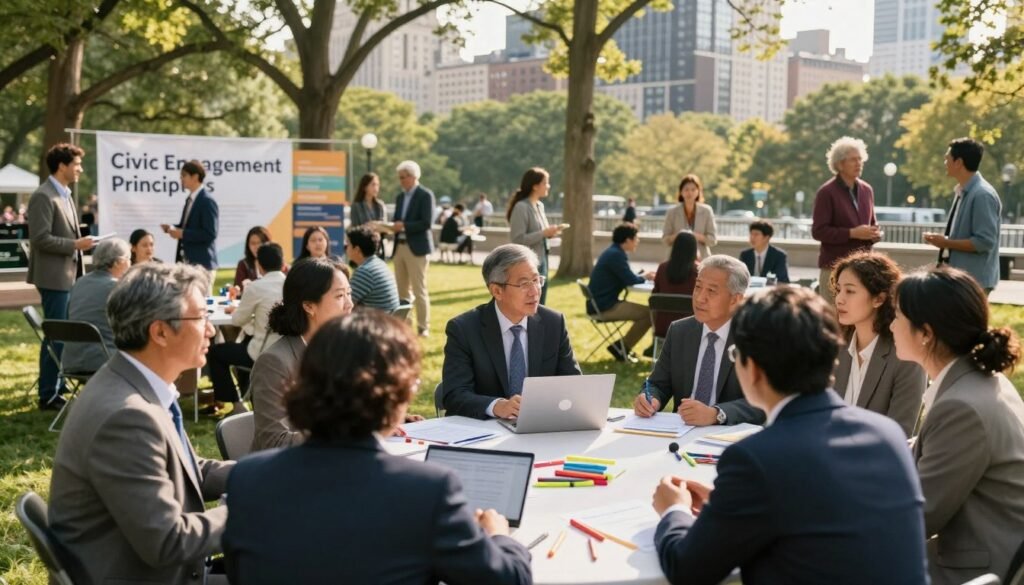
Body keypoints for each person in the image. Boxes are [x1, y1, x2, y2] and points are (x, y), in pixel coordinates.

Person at [223, 312, 533, 584]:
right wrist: (498, 537)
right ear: (396, 395)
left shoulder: (247, 480)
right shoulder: (427, 492)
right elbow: (508, 578)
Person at [651, 286, 928, 585]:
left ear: (752, 368)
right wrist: (731, 505)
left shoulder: (756, 459)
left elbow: (688, 569)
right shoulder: (888, 436)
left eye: (736, 354)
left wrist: (674, 510)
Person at [48, 262, 233, 585]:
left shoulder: (134, 386)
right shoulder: (126, 416)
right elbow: (167, 541)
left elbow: (191, 470)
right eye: (202, 317)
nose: (212, 330)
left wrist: (269, 472)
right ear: (159, 331)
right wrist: (256, 509)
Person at [891, 266, 1024, 585]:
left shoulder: (960, 405)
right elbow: (924, 451)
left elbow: (918, 518)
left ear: (925, 333)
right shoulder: (977, 381)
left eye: (896, 315)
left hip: (978, 569)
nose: (891, 324)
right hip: (980, 550)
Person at [442, 244, 581, 420]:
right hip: (485, 432)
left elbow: (574, 385)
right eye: (524, 284)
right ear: (497, 291)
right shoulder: (464, 329)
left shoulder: (553, 322)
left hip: (541, 427)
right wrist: (496, 406)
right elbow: (454, 395)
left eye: (536, 280)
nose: (534, 291)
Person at [635, 255, 765, 426]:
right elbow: (657, 383)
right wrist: (650, 398)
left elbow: (763, 401)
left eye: (711, 291)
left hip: (729, 437)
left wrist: (716, 414)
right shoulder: (679, 331)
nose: (699, 298)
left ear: (735, 299)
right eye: (698, 287)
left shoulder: (755, 337)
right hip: (681, 431)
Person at [249, 258, 353, 451]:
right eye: (340, 296)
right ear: (309, 306)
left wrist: (382, 421)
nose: (350, 304)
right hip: (286, 473)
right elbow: (273, 441)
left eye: (349, 293)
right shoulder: (275, 362)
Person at [27, 143, 96, 411]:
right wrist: (75, 245)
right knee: (55, 335)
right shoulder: (43, 196)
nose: (80, 169)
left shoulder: (64, 194)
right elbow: (40, 238)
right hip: (54, 278)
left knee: (64, 334)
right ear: (62, 166)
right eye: (76, 164)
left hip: (68, 276)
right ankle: (48, 394)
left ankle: (60, 385)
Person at [829, 252, 926, 436]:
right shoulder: (835, 347)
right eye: (838, 289)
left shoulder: (906, 358)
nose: (839, 299)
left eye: (850, 291)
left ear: (879, 299)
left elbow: (900, 433)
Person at [207, 243, 286, 415]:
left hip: (262, 351)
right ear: (283, 263)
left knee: (216, 353)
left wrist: (240, 312)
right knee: (244, 343)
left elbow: (237, 320)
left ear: (259, 265)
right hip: (288, 350)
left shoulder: (256, 287)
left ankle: (237, 404)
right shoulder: (292, 285)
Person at [924, 137, 1002, 293]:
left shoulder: (982, 195)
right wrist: (944, 241)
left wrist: (946, 243)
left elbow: (984, 242)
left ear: (958, 162)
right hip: (963, 280)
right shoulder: (964, 191)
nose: (945, 163)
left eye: (947, 159)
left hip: (974, 282)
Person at [811, 136, 880, 305]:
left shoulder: (867, 190)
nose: (859, 163)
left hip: (863, 268)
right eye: (853, 160)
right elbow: (818, 231)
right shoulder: (826, 192)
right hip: (834, 269)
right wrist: (852, 233)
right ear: (840, 164)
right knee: (834, 323)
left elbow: (872, 223)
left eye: (860, 159)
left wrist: (874, 234)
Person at [586, 223, 655, 362]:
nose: (638, 242)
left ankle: (621, 347)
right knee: (650, 314)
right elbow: (630, 280)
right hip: (604, 307)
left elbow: (626, 276)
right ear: (628, 240)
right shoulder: (616, 255)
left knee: (649, 313)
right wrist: (645, 277)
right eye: (636, 238)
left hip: (601, 303)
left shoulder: (614, 252)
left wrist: (640, 276)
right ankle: (621, 347)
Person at [61, 238, 131, 374]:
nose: (131, 263)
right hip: (106, 361)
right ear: (118, 262)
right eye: (129, 258)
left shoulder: (79, 283)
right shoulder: (117, 288)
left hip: (71, 361)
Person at [392, 160, 435, 337]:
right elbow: (397, 220)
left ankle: (423, 327)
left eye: (403, 177)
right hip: (399, 247)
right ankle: (405, 326)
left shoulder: (425, 195)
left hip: (416, 248)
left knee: (419, 289)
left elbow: (427, 223)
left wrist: (404, 226)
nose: (401, 181)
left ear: (413, 176)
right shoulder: (400, 197)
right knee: (402, 290)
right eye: (399, 178)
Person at [508, 167, 563, 305]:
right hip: (528, 263)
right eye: (545, 183)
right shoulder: (521, 207)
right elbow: (518, 239)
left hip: (542, 259)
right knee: (531, 303)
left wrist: (550, 233)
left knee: (541, 303)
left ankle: (539, 327)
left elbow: (540, 233)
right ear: (535, 186)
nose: (548, 186)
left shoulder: (539, 206)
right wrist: (544, 233)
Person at [162, 160, 219, 270]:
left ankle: (228, 289)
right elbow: (188, 227)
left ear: (195, 177)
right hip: (187, 263)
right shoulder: (190, 199)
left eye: (184, 175)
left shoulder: (206, 201)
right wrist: (172, 228)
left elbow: (210, 233)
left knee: (220, 288)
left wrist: (183, 234)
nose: (181, 179)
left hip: (202, 265)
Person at [651, 231, 699, 340]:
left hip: (662, 326)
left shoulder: (662, 268)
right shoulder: (699, 271)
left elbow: (655, 296)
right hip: (691, 327)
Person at [662, 174, 717, 261]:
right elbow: (665, 239)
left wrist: (696, 236)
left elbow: (712, 240)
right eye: (686, 189)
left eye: (693, 189)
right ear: (681, 192)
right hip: (676, 260)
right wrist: (680, 236)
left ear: (698, 191)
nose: (690, 193)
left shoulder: (707, 211)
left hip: (701, 260)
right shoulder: (672, 212)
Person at [346, 225, 400, 312]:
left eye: (347, 244)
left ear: (357, 249)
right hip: (386, 321)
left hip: (374, 323)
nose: (345, 248)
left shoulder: (364, 272)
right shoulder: (380, 264)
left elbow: (345, 305)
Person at [349, 172, 388, 257]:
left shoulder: (380, 205)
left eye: (377, 185)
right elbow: (355, 229)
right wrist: (370, 227)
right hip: (362, 249)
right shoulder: (356, 206)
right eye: (373, 185)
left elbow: (385, 227)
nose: (376, 188)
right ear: (365, 187)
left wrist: (374, 225)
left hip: (379, 247)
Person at [234, 226, 271, 291]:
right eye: (253, 243)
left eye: (260, 243)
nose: (256, 246)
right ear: (248, 245)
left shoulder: (276, 263)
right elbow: (238, 289)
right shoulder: (243, 264)